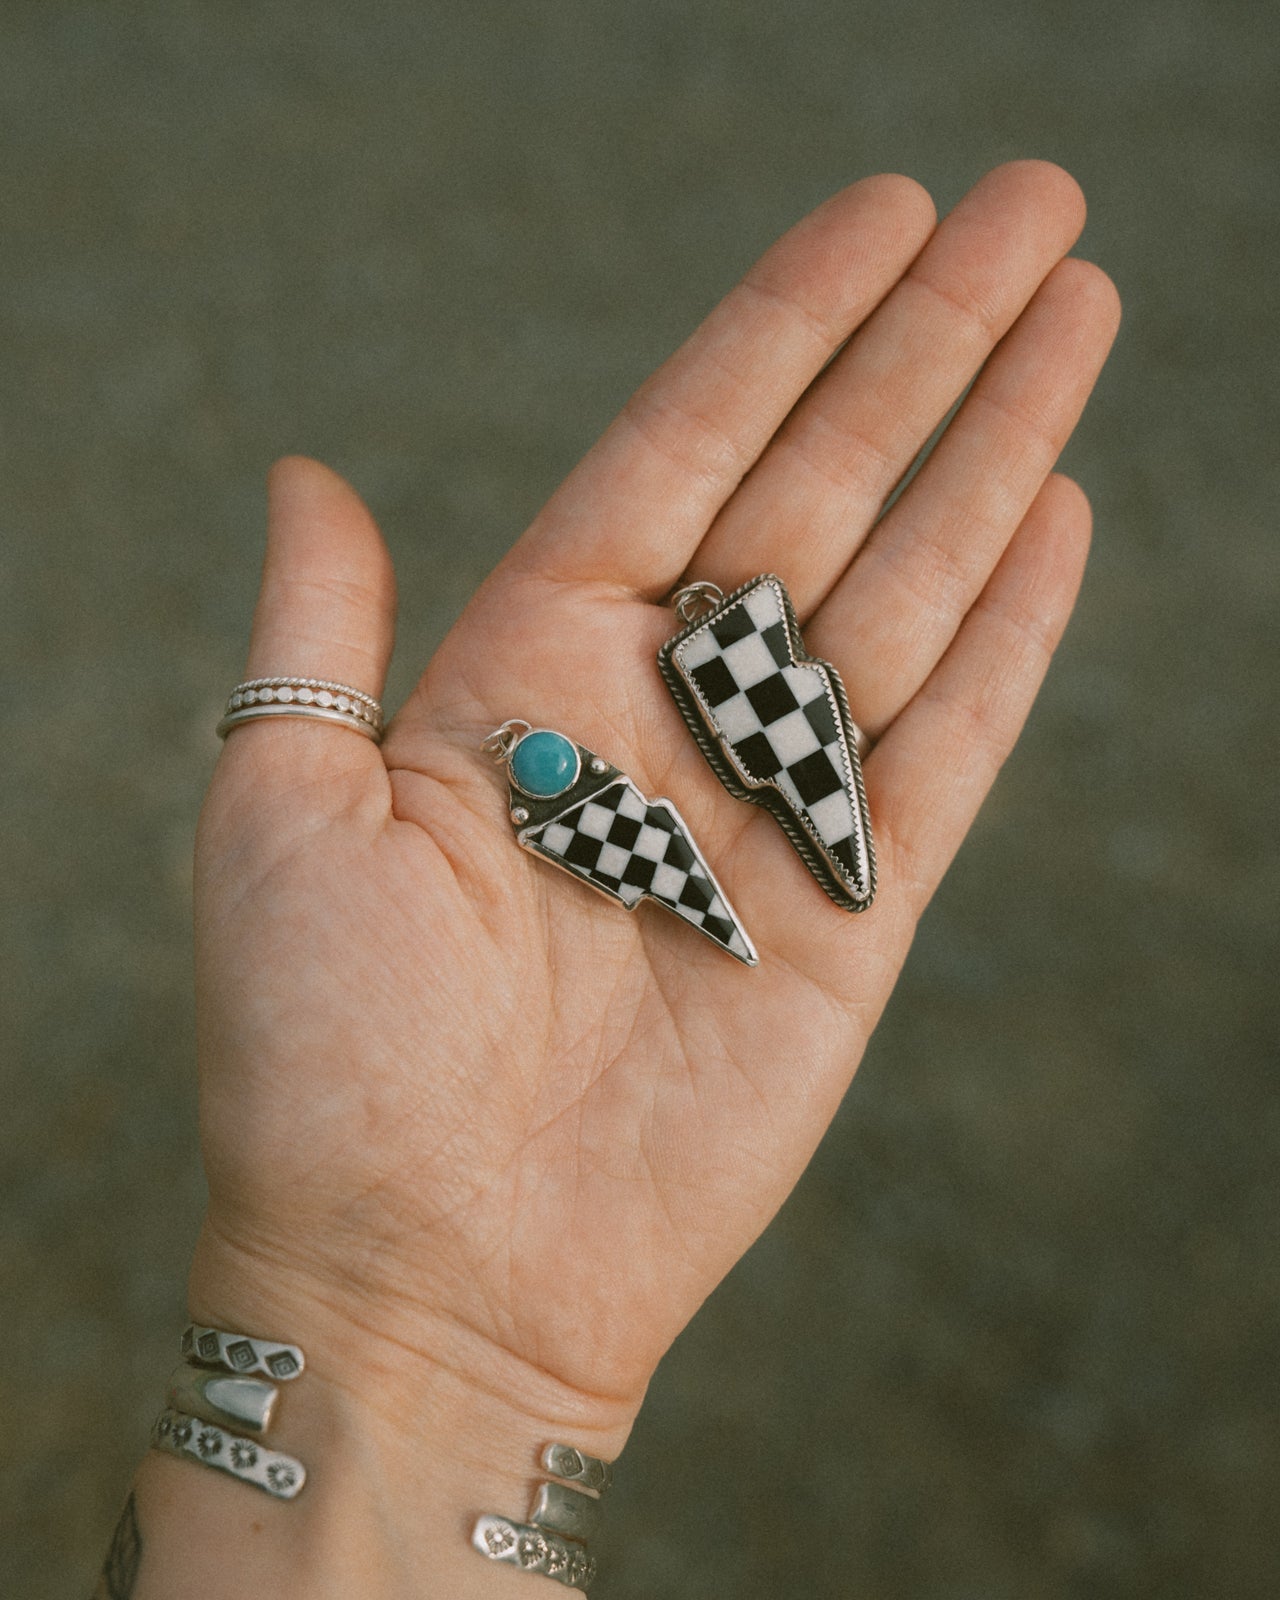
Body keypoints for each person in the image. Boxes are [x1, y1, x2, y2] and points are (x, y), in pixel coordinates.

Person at [93, 160, 1119, 1598]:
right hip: (643, 819)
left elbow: (771, 766)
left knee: (809, 812)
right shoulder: (594, 807)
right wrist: (404, 1331)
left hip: (670, 798)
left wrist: (384, 1343)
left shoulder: (674, 763)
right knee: (781, 827)